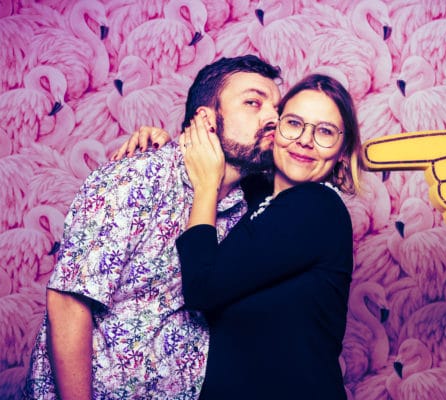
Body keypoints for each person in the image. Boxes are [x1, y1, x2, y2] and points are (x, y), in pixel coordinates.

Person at [23, 55, 281, 400]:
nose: (273, 118)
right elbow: (69, 301)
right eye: (253, 103)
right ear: (206, 119)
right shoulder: (137, 177)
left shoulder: (250, 207)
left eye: (277, 108)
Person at [127, 74, 361, 399]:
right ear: (275, 130)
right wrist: (169, 149)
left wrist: (206, 187)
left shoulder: (317, 208)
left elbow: (202, 288)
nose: (305, 140)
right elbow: (220, 163)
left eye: (325, 131)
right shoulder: (258, 199)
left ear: (343, 150)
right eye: (294, 123)